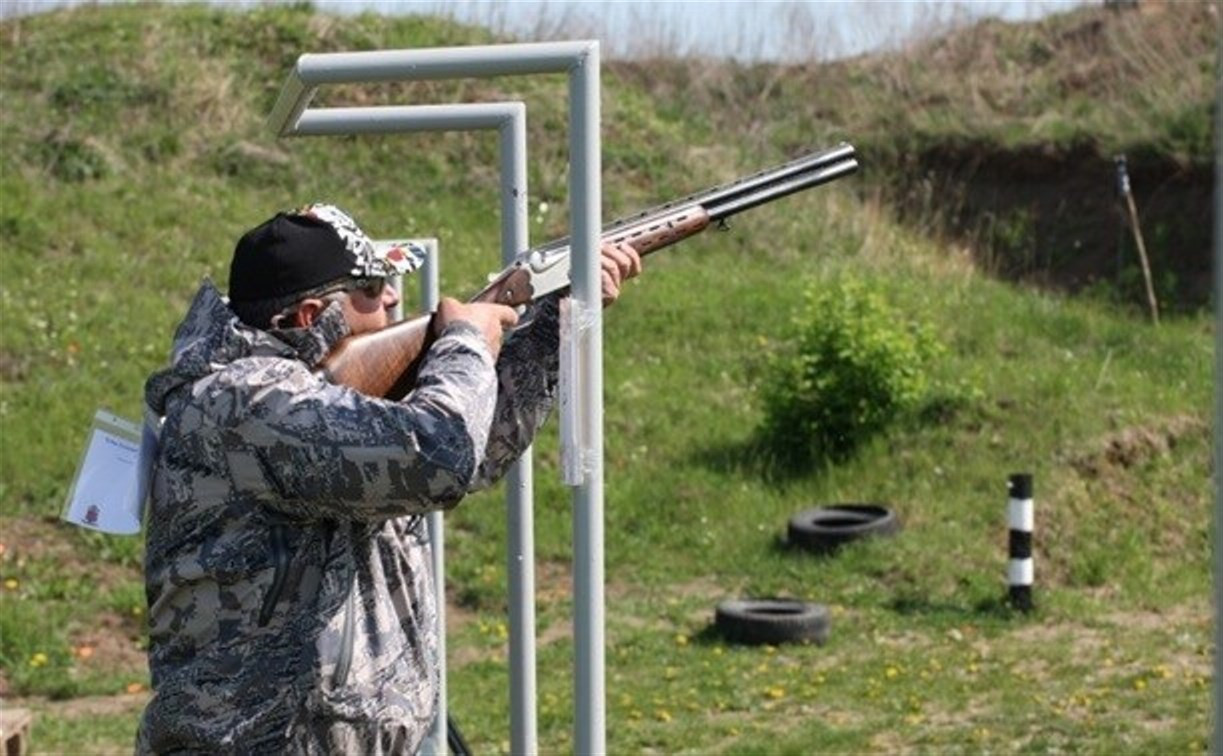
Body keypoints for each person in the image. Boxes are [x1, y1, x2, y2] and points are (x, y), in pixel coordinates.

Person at [136, 203, 641, 754]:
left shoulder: (310, 400)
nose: (396, 296)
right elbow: (437, 457)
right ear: (309, 316)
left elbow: (473, 451)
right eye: (371, 287)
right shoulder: (246, 401)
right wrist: (465, 341)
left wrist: (550, 323)